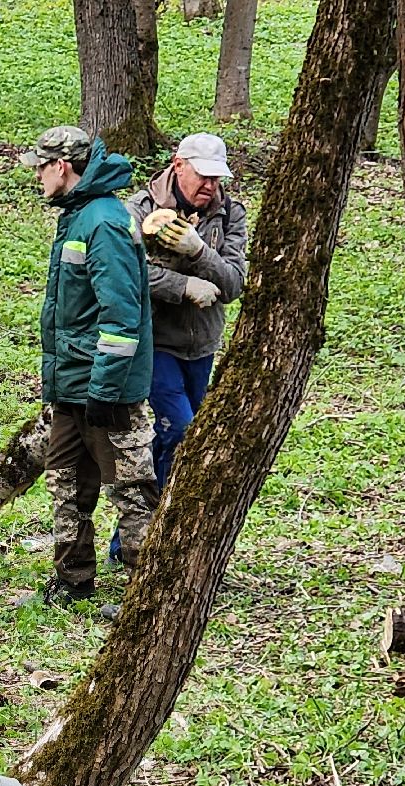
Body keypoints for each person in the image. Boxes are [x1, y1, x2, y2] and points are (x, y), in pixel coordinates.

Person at [22, 125, 158, 608]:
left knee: (130, 491)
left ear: (62, 167)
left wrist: (105, 389)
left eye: (41, 166)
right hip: (71, 387)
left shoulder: (102, 222)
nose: (37, 176)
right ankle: (71, 581)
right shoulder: (77, 216)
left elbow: (121, 318)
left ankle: (149, 596)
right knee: (64, 484)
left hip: (107, 392)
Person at [109, 132, 247, 565]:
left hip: (201, 345)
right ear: (178, 164)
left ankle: (137, 538)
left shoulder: (229, 214)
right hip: (156, 345)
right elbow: (126, 276)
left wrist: (200, 251)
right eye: (202, 176)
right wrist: (181, 285)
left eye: (216, 178)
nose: (209, 186)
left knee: (182, 440)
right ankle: (144, 541)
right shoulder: (139, 209)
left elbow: (233, 283)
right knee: (180, 431)